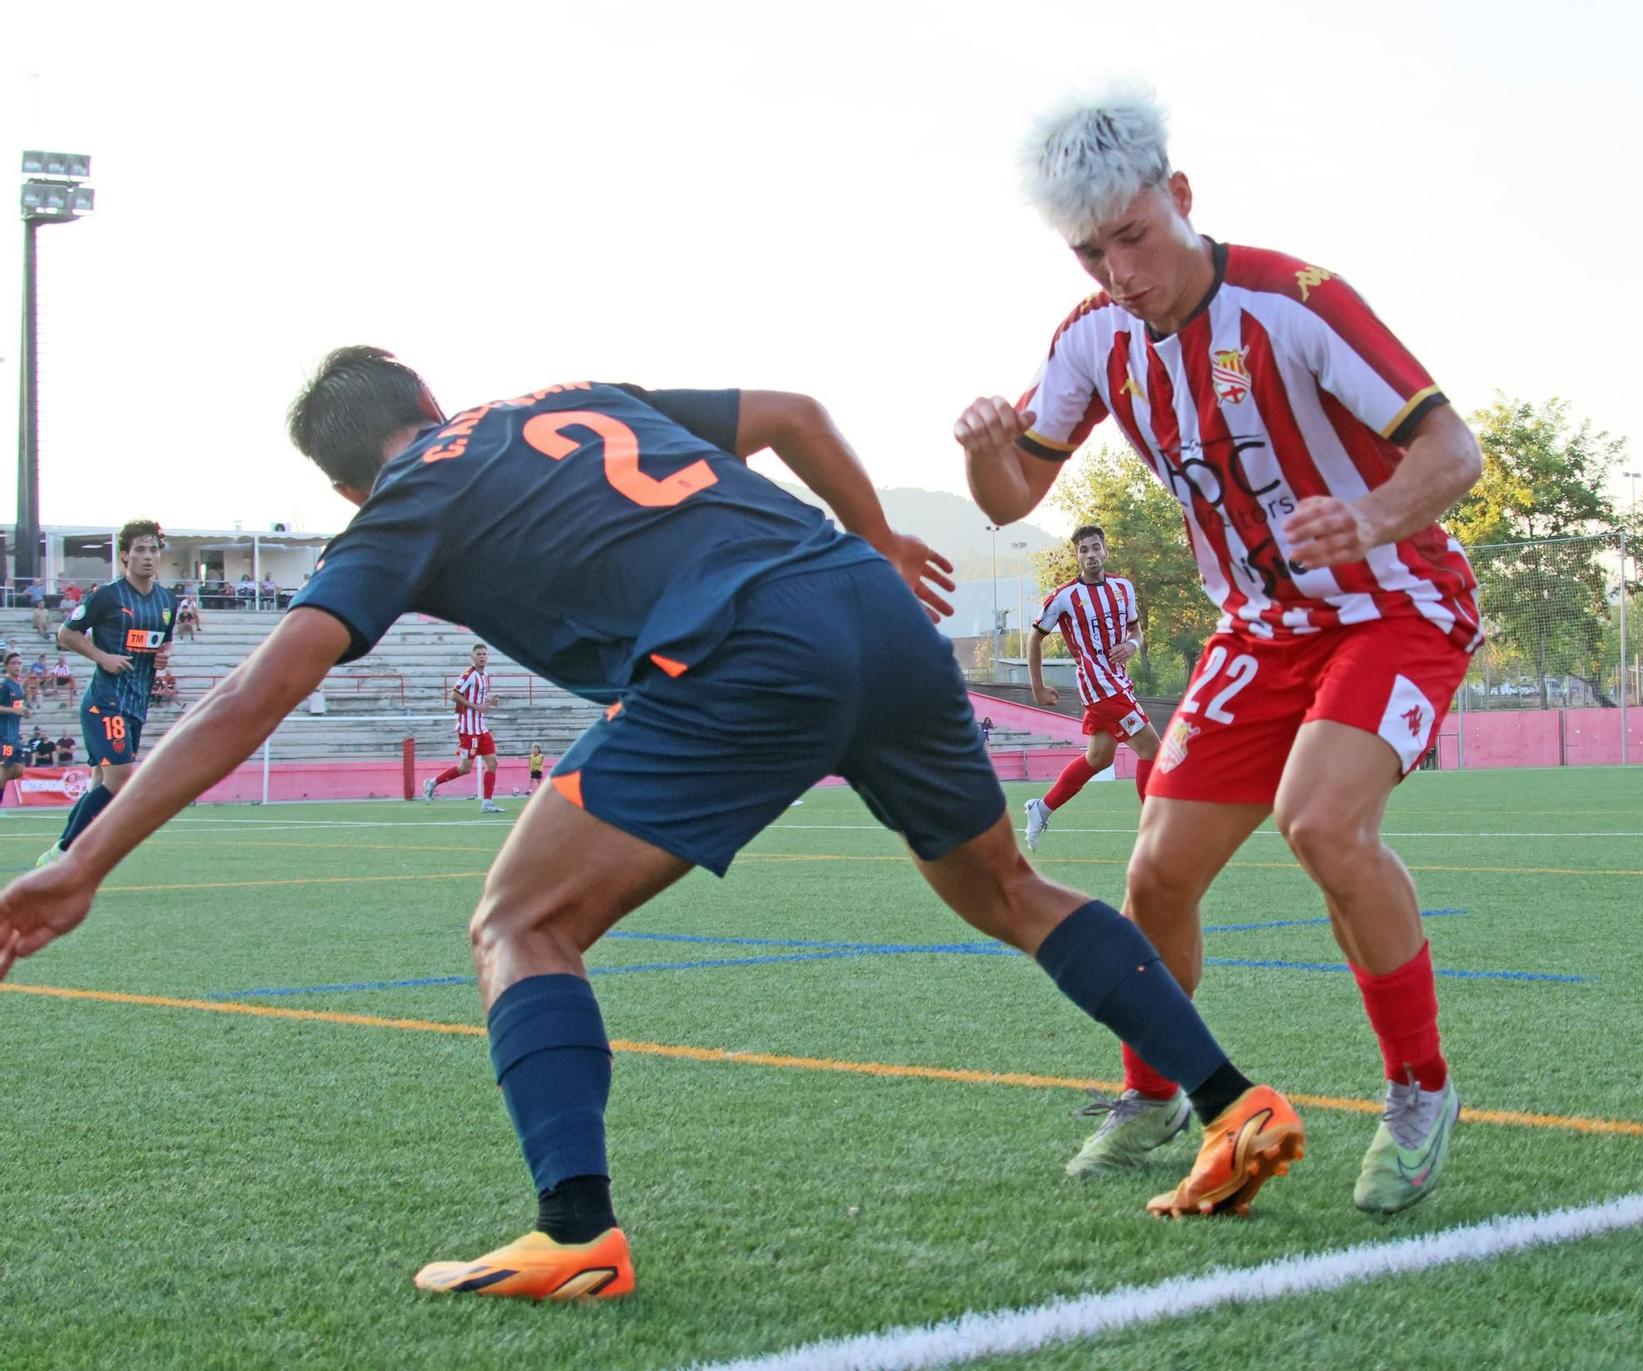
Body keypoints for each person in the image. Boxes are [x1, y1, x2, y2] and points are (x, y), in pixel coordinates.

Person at [0, 346, 1303, 1302]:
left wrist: (82, 860)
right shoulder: (569, 396)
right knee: (1008, 887)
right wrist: (880, 538)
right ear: (428, 396)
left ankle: (576, 1225)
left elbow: (257, 685)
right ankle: (1233, 1102)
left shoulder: (405, 503)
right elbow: (791, 408)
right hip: (865, 601)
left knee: (521, 919)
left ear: (350, 480)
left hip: (741, 644)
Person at [954, 92, 1484, 1210]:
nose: (1118, 271)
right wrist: (983, 452)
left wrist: (1374, 518)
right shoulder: (1090, 339)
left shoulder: (1297, 301)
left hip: (1393, 602)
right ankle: (1152, 1095)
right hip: (1258, 629)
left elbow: (1451, 448)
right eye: (1090, 251)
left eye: (1133, 237)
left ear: (1180, 198)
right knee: (1155, 872)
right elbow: (1011, 497)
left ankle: (1418, 1090)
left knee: (1321, 823)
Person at [39, 522, 177, 865]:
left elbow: (165, 641)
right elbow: (66, 633)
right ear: (124, 556)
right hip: (106, 700)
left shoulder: (167, 601)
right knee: (119, 779)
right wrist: (103, 657)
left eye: (153, 550)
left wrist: (163, 656)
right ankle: (64, 854)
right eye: (140, 550)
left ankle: (63, 851)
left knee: (101, 781)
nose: (148, 556)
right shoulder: (107, 596)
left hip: (136, 703)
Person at [1022, 525, 1161, 853]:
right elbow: (1035, 637)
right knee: (1151, 749)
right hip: (1100, 689)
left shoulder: (1123, 588)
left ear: (1106, 551)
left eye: (1095, 547)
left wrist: (1131, 645)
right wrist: (1038, 687)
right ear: (1077, 556)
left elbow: (1136, 632)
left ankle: (1040, 809)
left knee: (1098, 758)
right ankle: (1154, 834)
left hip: (1120, 683)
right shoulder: (1065, 596)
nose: (1091, 554)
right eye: (1083, 550)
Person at [424, 644, 503, 813]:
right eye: (479, 654)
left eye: (484, 654)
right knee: (465, 768)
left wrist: (490, 702)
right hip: (468, 731)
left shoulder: (485, 676)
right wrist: (476, 706)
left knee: (493, 763)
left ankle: (487, 803)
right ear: (472, 657)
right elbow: (454, 695)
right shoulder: (469, 674)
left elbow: (479, 698)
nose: (482, 657)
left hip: (481, 729)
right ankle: (432, 783)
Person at [0, 653, 27, 803]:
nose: (17, 666)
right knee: (4, 767)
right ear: (7, 666)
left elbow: (17, 707)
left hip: (14, 736)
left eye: (19, 663)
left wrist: (25, 711)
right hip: (4, 736)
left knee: (18, 769)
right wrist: (13, 711)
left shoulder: (18, 686)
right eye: (13, 663)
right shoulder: (4, 686)